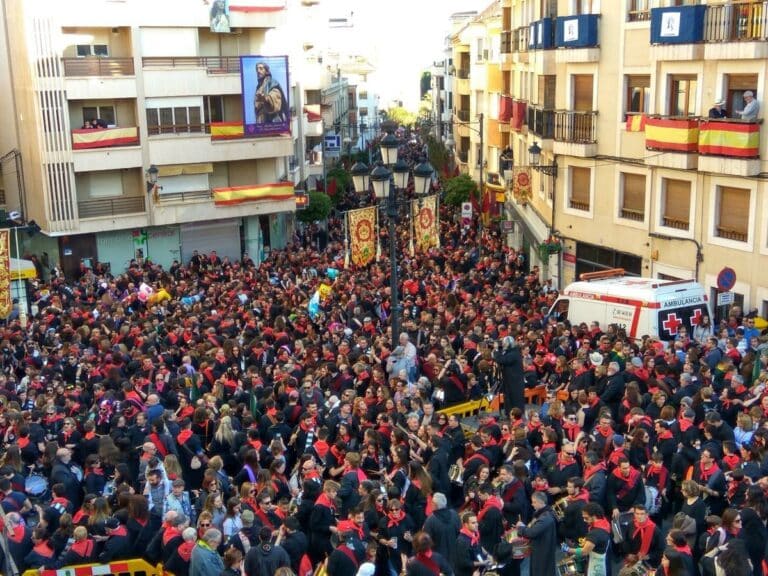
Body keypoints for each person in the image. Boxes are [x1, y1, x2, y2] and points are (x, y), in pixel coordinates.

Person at [517, 491, 557, 576]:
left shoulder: (546, 517)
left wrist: (521, 528)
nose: (532, 504)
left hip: (542, 550)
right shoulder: (543, 514)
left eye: (534, 502)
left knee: (541, 571)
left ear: (541, 502)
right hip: (541, 548)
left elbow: (532, 532)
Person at [494, 336, 524, 416]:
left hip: (514, 381)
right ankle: (510, 414)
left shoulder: (513, 354)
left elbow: (502, 360)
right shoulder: (511, 352)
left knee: (514, 399)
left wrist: (496, 350)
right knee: (509, 398)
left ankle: (516, 416)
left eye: (504, 344)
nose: (503, 345)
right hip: (509, 380)